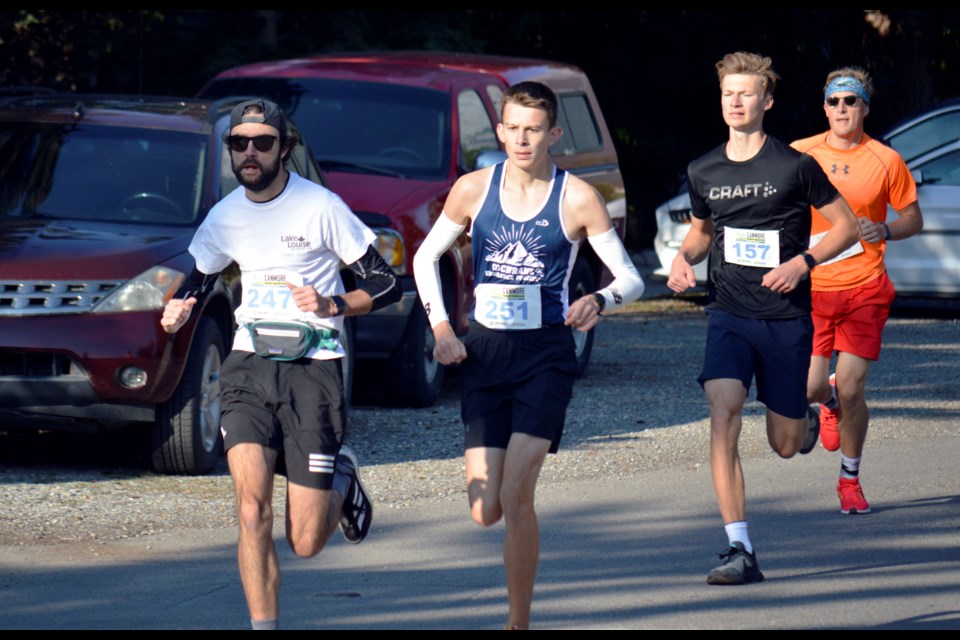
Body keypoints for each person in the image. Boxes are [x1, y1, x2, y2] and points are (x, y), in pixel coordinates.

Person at [160, 98, 401, 630]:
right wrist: (181, 308)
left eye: (262, 142)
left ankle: (341, 475)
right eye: (238, 143)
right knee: (251, 512)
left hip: (313, 367)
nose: (249, 152)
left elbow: (385, 284)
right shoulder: (225, 215)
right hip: (248, 365)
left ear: (284, 149)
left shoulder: (322, 207)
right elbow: (201, 279)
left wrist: (334, 305)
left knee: (307, 540)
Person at [412, 81, 644, 629]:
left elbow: (631, 278)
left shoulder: (578, 198)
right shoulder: (472, 189)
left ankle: (518, 622)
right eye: (512, 128)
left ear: (553, 134)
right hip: (485, 354)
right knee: (484, 509)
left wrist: (599, 299)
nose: (521, 139)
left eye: (533, 129)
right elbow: (425, 259)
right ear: (499, 131)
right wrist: (442, 326)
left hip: (545, 354)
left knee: (517, 494)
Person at [667, 52, 860, 586]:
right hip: (728, 311)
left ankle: (814, 403)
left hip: (786, 317)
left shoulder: (793, 164)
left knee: (784, 442)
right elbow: (703, 233)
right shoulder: (703, 169)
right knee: (723, 412)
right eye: (728, 92)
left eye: (745, 92)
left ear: (766, 101)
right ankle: (739, 547)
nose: (735, 100)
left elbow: (845, 226)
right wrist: (684, 261)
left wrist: (804, 263)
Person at [791, 68, 923, 515]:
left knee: (852, 389)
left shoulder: (886, 159)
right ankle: (825, 402)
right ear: (824, 107)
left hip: (865, 286)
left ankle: (849, 479)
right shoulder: (800, 153)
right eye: (834, 102)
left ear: (865, 106)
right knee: (810, 388)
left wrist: (884, 226)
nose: (842, 109)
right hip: (811, 289)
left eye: (851, 101)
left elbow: (913, 218)